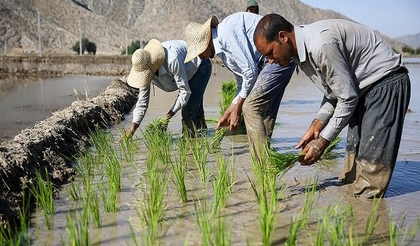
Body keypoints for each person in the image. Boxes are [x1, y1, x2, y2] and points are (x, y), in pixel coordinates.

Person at [253, 14, 411, 198]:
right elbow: (334, 91)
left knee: (370, 175)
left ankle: (368, 220)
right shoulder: (300, 54)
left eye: (270, 53)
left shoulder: (319, 45)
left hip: (385, 84)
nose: (270, 61)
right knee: (350, 172)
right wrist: (317, 123)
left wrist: (322, 141)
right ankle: (353, 217)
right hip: (362, 90)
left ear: (283, 37)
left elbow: (347, 98)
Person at [184, 12, 295, 156]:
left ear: (206, 42)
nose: (200, 56)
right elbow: (242, 81)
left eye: (199, 52)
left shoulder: (225, 36)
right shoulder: (222, 48)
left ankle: (259, 163)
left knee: (250, 107)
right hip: (268, 60)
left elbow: (250, 72)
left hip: (277, 54)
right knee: (264, 113)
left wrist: (238, 109)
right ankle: (266, 163)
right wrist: (230, 109)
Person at [125, 39, 211, 137]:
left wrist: (167, 117)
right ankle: (202, 138)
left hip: (200, 64)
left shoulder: (172, 59)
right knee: (195, 111)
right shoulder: (145, 67)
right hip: (186, 72)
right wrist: (132, 129)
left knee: (189, 112)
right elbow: (142, 103)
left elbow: (185, 92)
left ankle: (191, 144)